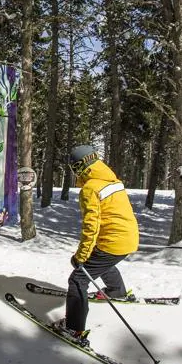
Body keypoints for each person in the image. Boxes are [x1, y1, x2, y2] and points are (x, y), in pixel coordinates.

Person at [53, 145, 139, 346]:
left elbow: (91, 227)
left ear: (79, 166)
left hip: (112, 241)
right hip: (128, 239)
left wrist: (81, 257)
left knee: (78, 279)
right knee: (103, 261)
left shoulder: (90, 188)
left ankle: (74, 328)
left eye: (74, 168)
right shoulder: (113, 181)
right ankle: (117, 290)